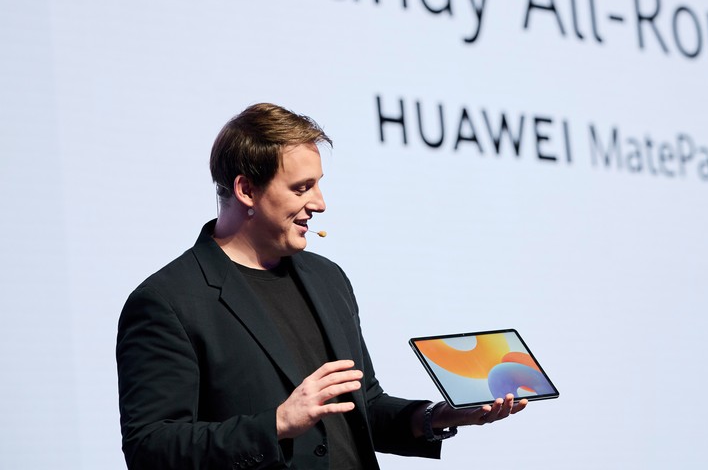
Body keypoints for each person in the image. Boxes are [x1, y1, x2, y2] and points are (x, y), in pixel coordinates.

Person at [116, 103, 526, 470]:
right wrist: (276, 424)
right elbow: (150, 449)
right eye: (301, 188)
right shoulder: (168, 301)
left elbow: (364, 406)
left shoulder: (328, 278)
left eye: (317, 184)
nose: (320, 203)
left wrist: (439, 417)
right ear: (246, 190)